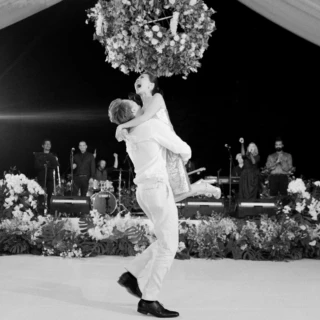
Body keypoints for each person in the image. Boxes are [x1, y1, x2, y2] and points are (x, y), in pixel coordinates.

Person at [110, 98, 190, 318]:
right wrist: (182, 158)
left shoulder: (129, 133)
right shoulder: (151, 126)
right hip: (157, 189)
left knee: (165, 240)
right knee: (169, 247)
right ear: (134, 111)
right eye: (135, 104)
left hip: (144, 192)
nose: (139, 103)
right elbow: (183, 148)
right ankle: (149, 300)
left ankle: (132, 274)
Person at [115, 73, 220, 200]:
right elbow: (138, 124)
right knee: (169, 197)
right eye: (137, 78)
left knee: (173, 196)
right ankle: (201, 187)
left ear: (151, 85)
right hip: (160, 149)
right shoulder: (141, 109)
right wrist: (124, 131)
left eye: (142, 77)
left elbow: (145, 118)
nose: (138, 79)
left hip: (171, 147)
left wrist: (121, 126)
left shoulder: (157, 98)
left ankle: (203, 187)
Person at [34, 139, 58, 211]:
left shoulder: (52, 156)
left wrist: (47, 165)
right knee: (41, 193)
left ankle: (50, 210)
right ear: (43, 146)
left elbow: (55, 165)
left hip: (50, 178)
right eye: (46, 144)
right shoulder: (38, 156)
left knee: (50, 194)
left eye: (49, 144)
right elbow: (36, 166)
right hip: (41, 177)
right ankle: (40, 210)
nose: (48, 145)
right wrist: (44, 165)